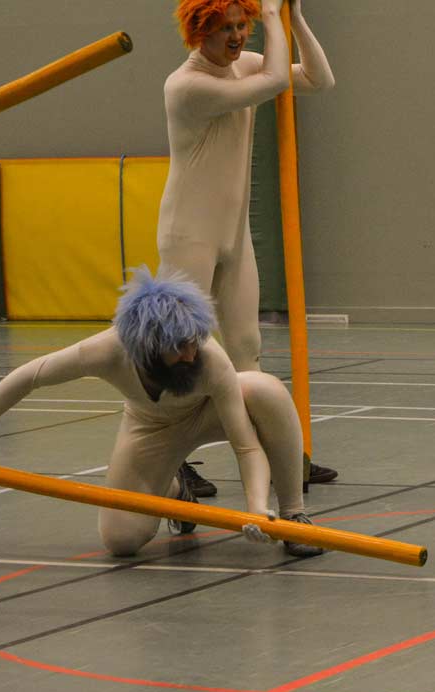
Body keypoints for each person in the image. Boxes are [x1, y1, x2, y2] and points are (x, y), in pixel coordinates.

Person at [0, 268, 323, 560]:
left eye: (194, 342)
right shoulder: (108, 351)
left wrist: (256, 507)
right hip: (151, 429)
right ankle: (176, 488)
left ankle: (294, 516)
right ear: (149, 347)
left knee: (265, 389)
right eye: (179, 348)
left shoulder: (208, 358)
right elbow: (29, 377)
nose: (191, 354)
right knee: (120, 540)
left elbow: (246, 447)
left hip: (208, 415)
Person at [160, 0, 337, 501]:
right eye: (226, 29)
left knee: (246, 349)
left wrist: (294, 19)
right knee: (181, 354)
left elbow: (319, 80)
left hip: (234, 237)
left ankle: (275, 455)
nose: (238, 36)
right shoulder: (186, 85)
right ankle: (172, 462)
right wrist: (272, 16)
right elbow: (277, 81)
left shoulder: (246, 65)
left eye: (243, 25)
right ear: (200, 33)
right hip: (189, 234)